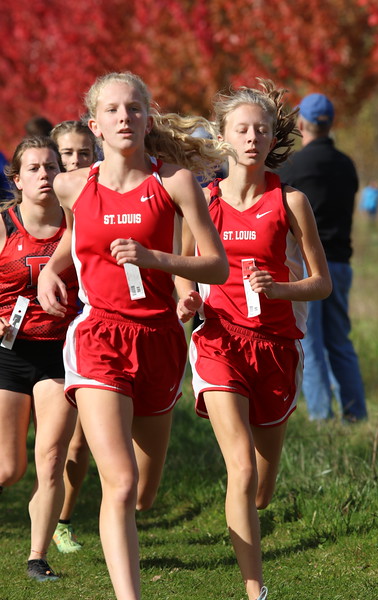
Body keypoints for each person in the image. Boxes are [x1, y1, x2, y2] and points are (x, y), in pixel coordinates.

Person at [37, 71, 230, 600]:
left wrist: (156, 259)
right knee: (119, 482)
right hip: (98, 336)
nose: (125, 117)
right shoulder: (72, 185)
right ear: (95, 124)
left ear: (147, 118)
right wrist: (53, 269)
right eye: (114, 110)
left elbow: (215, 266)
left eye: (134, 108)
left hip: (160, 340)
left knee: (143, 493)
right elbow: (77, 237)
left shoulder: (174, 183)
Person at [176, 79, 332, 600]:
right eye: (241, 129)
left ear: (271, 140)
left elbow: (322, 283)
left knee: (261, 487)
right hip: (219, 341)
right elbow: (184, 265)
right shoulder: (203, 200)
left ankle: (252, 508)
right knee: (239, 467)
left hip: (276, 345)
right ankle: (255, 590)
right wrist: (186, 297)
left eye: (261, 130)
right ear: (223, 137)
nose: (251, 138)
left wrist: (280, 287)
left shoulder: (291, 201)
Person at [0, 136, 79, 581]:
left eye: (52, 166)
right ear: (17, 179)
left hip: (60, 353)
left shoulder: (78, 224)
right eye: (34, 168)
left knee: (50, 457)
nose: (45, 175)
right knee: (9, 469)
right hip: (8, 354)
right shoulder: (3, 225)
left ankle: (36, 557)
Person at [278, 92, 368, 422]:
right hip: (342, 263)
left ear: (301, 124)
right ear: (330, 124)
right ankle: (356, 413)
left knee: (311, 342)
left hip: (308, 266)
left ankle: (321, 416)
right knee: (339, 340)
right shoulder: (346, 164)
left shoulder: (294, 166)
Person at [50, 120, 97, 553]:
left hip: (83, 329)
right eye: (67, 154)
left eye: (84, 153)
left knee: (77, 439)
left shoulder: (95, 200)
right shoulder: (19, 215)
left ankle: (62, 519)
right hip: (30, 340)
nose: (75, 161)